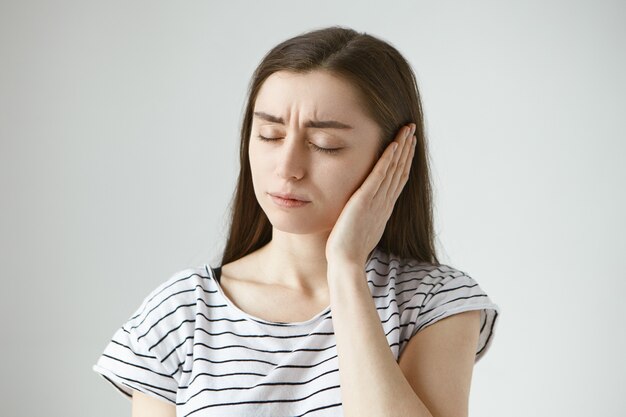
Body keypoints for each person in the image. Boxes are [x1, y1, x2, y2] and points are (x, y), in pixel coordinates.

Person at [93, 26, 499, 417]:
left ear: (394, 155)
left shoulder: (432, 302)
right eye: (269, 135)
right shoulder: (180, 312)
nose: (287, 168)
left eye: (325, 145)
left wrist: (345, 268)